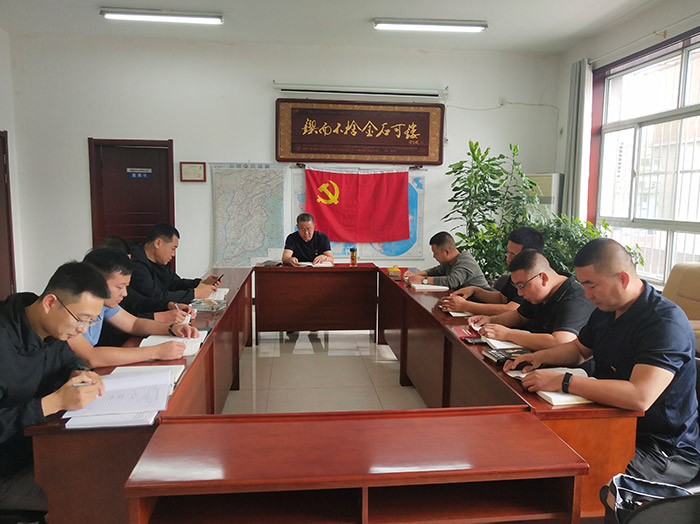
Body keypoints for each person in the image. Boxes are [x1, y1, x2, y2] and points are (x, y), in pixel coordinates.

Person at [505, 238, 699, 484]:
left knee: (567, 472)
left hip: (661, 450)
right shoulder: (607, 311)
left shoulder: (664, 323)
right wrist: (537, 357)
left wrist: (565, 381)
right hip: (612, 423)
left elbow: (639, 396)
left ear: (623, 279)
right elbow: (579, 350)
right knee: (536, 445)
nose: (587, 295)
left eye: (592, 286)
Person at [0, 262, 108, 512]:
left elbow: (67, 360)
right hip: (7, 470)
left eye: (91, 322)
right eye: (81, 320)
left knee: (112, 465)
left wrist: (79, 371)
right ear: (50, 303)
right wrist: (52, 403)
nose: (83, 330)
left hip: (40, 448)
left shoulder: (50, 328)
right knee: (98, 496)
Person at [67, 248, 199, 368]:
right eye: (120, 287)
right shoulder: (69, 310)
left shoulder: (104, 304)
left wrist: (172, 328)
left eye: (126, 287)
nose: (125, 293)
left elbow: (134, 324)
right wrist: (155, 352)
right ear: (97, 282)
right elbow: (91, 357)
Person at [469, 249, 595, 350]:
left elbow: (560, 342)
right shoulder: (541, 294)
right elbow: (520, 316)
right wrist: (490, 320)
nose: (519, 293)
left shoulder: (575, 299)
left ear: (543, 278)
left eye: (522, 286)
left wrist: (508, 334)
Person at [440, 226, 544, 315]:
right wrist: (475, 291)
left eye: (513, 254)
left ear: (529, 255)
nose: (508, 259)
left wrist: (466, 306)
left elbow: (512, 309)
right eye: (507, 252)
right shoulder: (516, 273)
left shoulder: (532, 279)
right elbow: (502, 299)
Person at [97, 235, 194, 324]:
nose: (124, 293)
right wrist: (160, 317)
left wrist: (169, 305)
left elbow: (140, 302)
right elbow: (126, 325)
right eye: (120, 287)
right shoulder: (97, 301)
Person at [130, 223, 220, 303]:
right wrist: (194, 293)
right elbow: (157, 297)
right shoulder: (135, 264)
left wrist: (202, 283)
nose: (173, 254)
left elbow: (175, 283)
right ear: (158, 243)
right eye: (173, 249)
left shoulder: (158, 261)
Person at [403, 231, 489, 290]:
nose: (434, 256)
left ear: (447, 252)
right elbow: (436, 271)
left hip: (481, 303)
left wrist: (423, 280)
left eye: (436, 253)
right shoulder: (450, 261)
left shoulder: (466, 261)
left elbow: (452, 281)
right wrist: (415, 275)